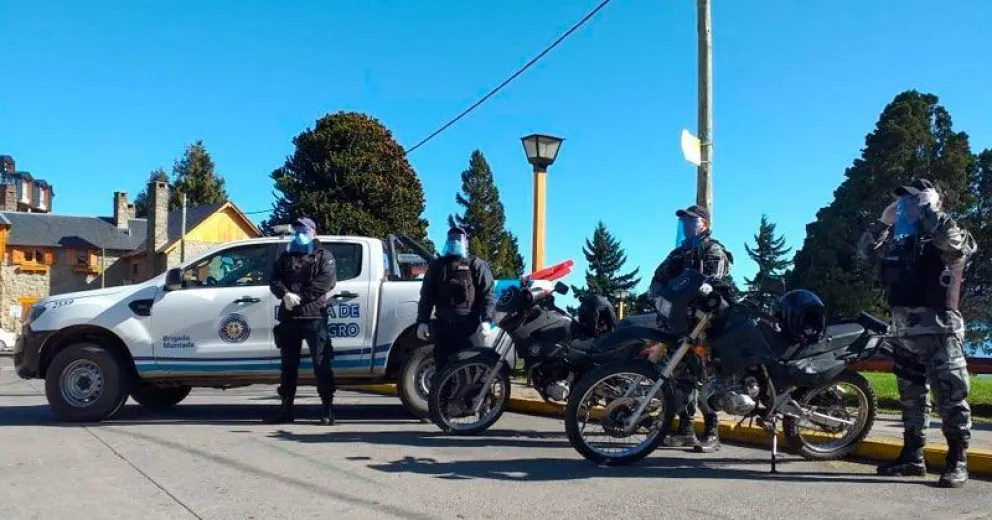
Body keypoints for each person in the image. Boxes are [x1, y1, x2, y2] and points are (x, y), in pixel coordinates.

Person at [857, 179, 976, 488]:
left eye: (914, 200)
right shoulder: (899, 242)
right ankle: (912, 457)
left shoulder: (951, 236)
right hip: (904, 331)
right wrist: (883, 222)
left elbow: (951, 240)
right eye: (905, 202)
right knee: (911, 398)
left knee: (951, 397)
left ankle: (957, 460)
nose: (907, 206)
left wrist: (928, 207)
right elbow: (866, 254)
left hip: (941, 331)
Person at [649, 204, 733, 453]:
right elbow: (658, 278)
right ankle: (685, 431)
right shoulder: (678, 253)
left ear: (704, 224)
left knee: (708, 378)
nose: (686, 226)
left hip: (707, 325)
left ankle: (712, 431)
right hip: (681, 325)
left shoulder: (713, 250)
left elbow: (712, 283)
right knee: (681, 377)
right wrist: (656, 296)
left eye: (691, 221)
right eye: (684, 222)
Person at [264, 217, 338, 426]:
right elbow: (274, 279)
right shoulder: (286, 255)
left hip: (314, 316)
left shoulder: (324, 256)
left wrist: (299, 298)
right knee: (288, 366)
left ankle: (327, 410)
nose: (299, 234)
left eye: (303, 230)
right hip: (289, 318)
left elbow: (325, 283)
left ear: (313, 233)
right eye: (296, 230)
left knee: (321, 364)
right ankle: (286, 410)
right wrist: (284, 294)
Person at [416, 227, 496, 379]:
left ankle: (476, 401)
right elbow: (426, 295)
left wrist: (487, 319)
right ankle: (444, 402)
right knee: (443, 371)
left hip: (469, 326)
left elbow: (488, 294)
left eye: (458, 239)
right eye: (451, 238)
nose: (454, 242)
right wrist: (422, 321)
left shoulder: (476, 264)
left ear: (466, 243)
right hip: (443, 325)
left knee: (475, 369)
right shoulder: (437, 266)